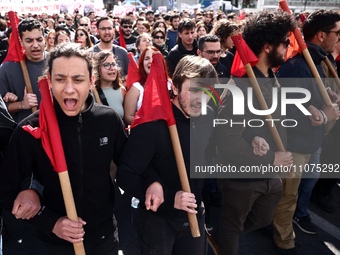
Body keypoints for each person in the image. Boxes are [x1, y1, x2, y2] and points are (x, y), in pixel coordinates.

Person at [0, 43, 127, 255]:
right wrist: (51, 222)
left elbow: (131, 166)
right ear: (49, 81)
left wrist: (159, 187)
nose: (69, 89)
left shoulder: (109, 120)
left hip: (104, 237)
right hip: (53, 244)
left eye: (78, 79)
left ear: (91, 81)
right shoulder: (31, 129)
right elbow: (5, 191)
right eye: (60, 79)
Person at [117, 55, 219, 255]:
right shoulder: (153, 124)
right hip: (158, 221)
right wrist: (168, 196)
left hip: (194, 214)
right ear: (175, 87)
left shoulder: (208, 116)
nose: (202, 99)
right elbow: (126, 175)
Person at [215, 10, 295, 255]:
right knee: (232, 227)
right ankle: (221, 241)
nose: (288, 47)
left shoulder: (271, 77)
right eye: (285, 42)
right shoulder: (242, 87)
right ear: (268, 46)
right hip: (243, 180)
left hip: (269, 175)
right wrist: (272, 158)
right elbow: (226, 142)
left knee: (262, 219)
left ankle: (222, 235)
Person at [274, 10, 340, 254]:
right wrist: (323, 115)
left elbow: (311, 97)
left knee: (302, 189)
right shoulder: (296, 65)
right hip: (296, 144)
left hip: (314, 141)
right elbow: (286, 109)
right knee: (287, 195)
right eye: (337, 33)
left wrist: (328, 99)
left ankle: (295, 219)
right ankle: (283, 239)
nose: (339, 37)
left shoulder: (320, 60)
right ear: (322, 35)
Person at [0, 18, 46, 123]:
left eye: (39, 39)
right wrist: (21, 105)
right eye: (29, 40)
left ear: (44, 39)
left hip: (58, 132)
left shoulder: (57, 63)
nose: (35, 45)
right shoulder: (7, 69)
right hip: (24, 134)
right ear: (21, 41)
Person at [124, 46, 169, 125]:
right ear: (142, 63)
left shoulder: (169, 84)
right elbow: (128, 117)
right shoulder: (137, 87)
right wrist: (148, 121)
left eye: (154, 58)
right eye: (147, 58)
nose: (151, 61)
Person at [93, 50, 126, 119]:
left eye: (113, 64)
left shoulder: (122, 90)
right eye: (106, 65)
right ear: (97, 69)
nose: (112, 68)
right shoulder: (90, 93)